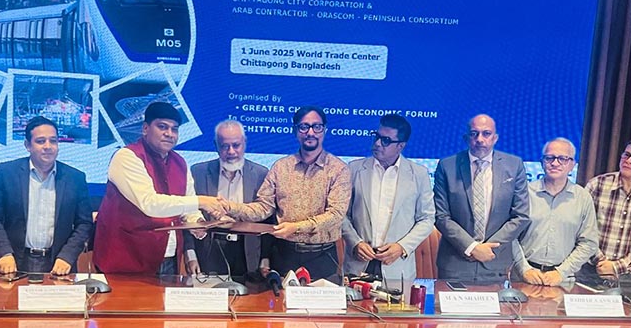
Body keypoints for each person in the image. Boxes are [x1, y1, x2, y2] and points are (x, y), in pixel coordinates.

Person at [218, 106, 351, 281]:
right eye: (304, 127)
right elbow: (263, 208)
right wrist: (229, 207)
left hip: (322, 256)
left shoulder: (339, 169)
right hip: (284, 254)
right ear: (295, 131)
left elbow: (336, 215)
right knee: (279, 299)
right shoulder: (281, 167)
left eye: (316, 127)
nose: (310, 132)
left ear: (324, 130)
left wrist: (296, 227)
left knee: (323, 299)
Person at [92, 102, 222, 275]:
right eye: (162, 127)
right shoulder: (126, 157)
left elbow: (188, 208)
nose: (169, 134)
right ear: (145, 128)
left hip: (169, 258)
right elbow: (150, 204)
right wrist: (202, 201)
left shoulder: (180, 162)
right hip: (126, 258)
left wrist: (198, 223)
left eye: (174, 129)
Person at [0, 116, 93, 274]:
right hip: (13, 263)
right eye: (40, 141)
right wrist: (4, 252)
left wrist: (67, 256)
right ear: (28, 145)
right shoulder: (6, 173)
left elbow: (84, 223)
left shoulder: (75, 178)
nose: (48, 146)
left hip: (58, 265)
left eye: (53, 141)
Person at [434, 114, 530, 282]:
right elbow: (441, 216)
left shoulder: (514, 166)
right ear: (466, 138)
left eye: (486, 133)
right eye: (474, 133)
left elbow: (521, 216)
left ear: (495, 138)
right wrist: (472, 247)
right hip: (455, 263)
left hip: (495, 261)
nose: (480, 139)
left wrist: (487, 249)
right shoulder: (447, 166)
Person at [342, 114, 435, 281]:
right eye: (376, 137)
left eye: (385, 140)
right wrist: (355, 242)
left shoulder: (419, 174)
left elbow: (426, 219)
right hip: (358, 263)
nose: (377, 143)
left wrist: (402, 247)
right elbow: (342, 214)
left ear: (400, 146)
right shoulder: (354, 169)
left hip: (396, 266)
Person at [185, 120, 269, 277]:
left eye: (236, 145)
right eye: (224, 146)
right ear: (216, 145)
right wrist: (190, 255)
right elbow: (187, 213)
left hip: (247, 253)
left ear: (244, 143)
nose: (231, 152)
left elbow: (267, 220)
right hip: (209, 251)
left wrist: (265, 260)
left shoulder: (261, 174)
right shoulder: (198, 172)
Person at [513, 138, 598, 286]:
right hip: (523, 277)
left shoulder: (583, 198)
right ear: (542, 162)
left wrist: (561, 272)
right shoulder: (524, 193)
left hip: (563, 281)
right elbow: (511, 237)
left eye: (563, 159)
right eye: (549, 158)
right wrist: (524, 269)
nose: (555, 163)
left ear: (572, 165)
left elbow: (589, 243)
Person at [581, 140, 631, 279]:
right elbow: (579, 228)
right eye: (626, 155)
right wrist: (601, 262)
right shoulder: (597, 185)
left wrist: (617, 267)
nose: (628, 161)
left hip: (627, 275)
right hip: (590, 270)